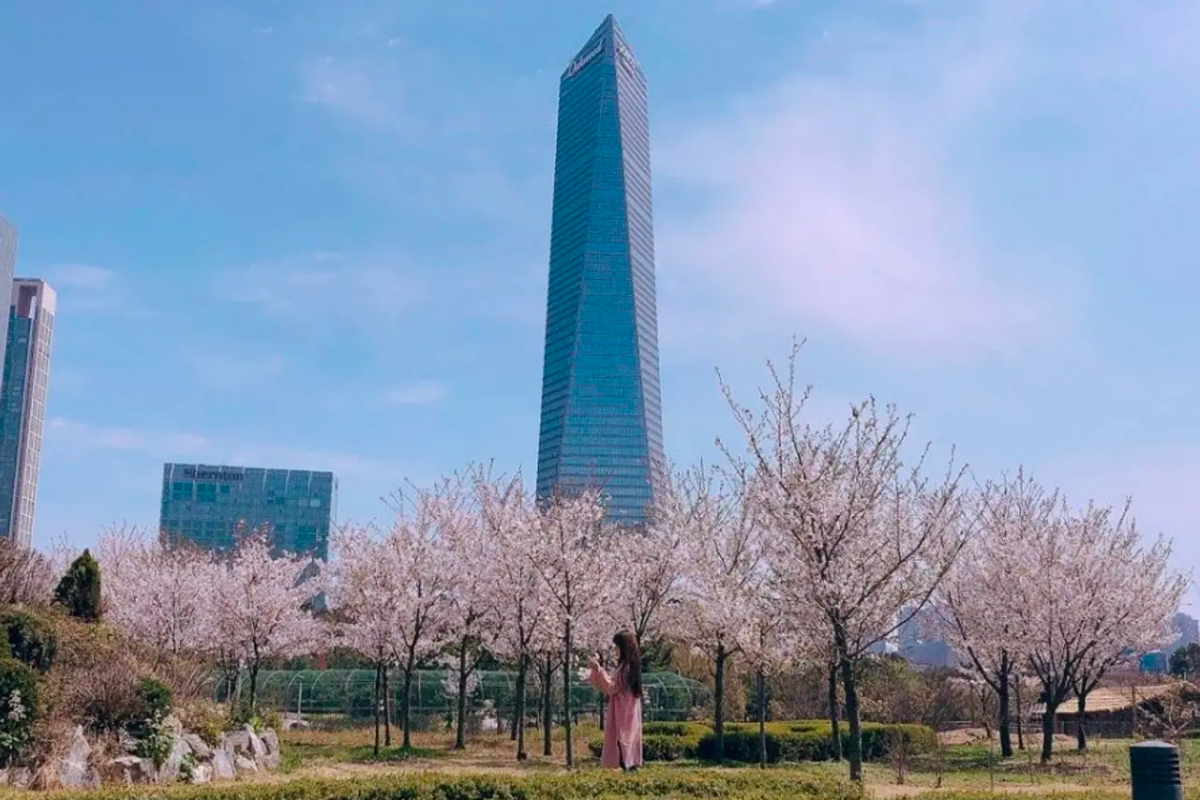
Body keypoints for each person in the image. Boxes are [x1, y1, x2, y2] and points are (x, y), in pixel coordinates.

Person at [588, 629, 643, 772]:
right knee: (627, 745)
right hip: (626, 712)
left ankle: (630, 772)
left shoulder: (626, 668)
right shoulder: (628, 666)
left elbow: (612, 688)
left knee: (623, 746)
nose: (615, 650)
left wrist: (599, 670)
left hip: (622, 713)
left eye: (617, 647)